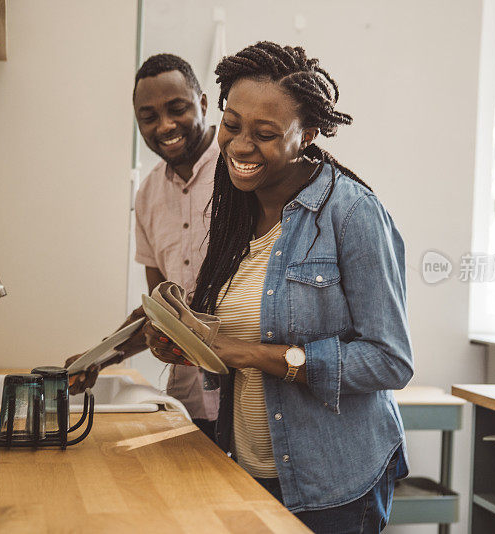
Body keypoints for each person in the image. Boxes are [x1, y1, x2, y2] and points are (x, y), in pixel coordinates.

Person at [143, 42, 413, 533]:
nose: (241, 146)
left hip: (332, 485)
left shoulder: (351, 214)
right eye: (232, 125)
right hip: (247, 468)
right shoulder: (234, 212)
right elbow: (236, 333)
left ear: (306, 135)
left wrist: (254, 354)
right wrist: (189, 346)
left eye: (265, 134)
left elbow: (391, 360)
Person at [66, 53, 219, 437]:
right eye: (148, 116)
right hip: (188, 405)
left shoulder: (239, 171)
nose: (164, 125)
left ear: (202, 103)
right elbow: (159, 308)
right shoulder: (149, 194)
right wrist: (97, 358)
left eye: (177, 108)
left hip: (246, 406)